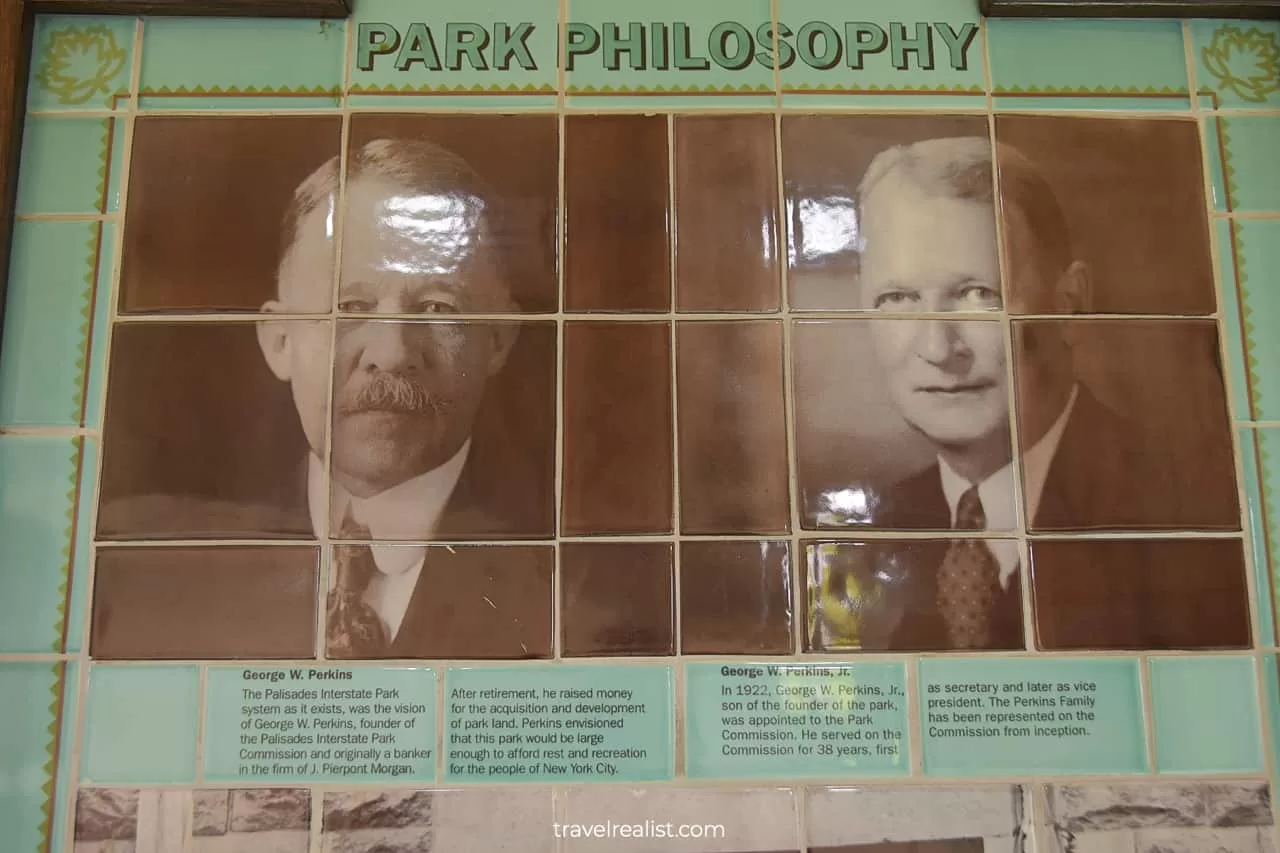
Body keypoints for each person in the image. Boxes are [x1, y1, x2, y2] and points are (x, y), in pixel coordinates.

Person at [847, 136, 1162, 651]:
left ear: (1070, 307)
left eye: (978, 295)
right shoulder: (880, 528)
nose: (938, 348)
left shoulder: (1183, 509)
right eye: (898, 298)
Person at [251, 138, 548, 657]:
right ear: (281, 342)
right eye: (351, 304)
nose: (391, 352)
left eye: (438, 308)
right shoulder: (166, 563)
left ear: (497, 341)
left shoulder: (584, 572)